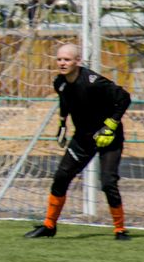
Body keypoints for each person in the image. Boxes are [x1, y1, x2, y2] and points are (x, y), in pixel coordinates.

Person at [24, 42, 133, 241]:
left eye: (67, 59)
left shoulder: (93, 82)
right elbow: (65, 101)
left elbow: (124, 97)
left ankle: (120, 230)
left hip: (108, 137)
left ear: (77, 61)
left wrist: (111, 125)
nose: (62, 63)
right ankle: (49, 226)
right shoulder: (60, 82)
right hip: (82, 138)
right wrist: (62, 123)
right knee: (61, 177)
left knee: (108, 183)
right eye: (59, 59)